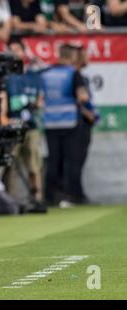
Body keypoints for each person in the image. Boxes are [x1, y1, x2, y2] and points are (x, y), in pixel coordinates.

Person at [0, 39, 46, 212]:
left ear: (23, 52)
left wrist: (35, 104)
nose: (14, 54)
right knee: (11, 165)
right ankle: (13, 202)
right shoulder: (6, 78)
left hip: (31, 126)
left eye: (17, 50)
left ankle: (37, 199)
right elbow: (3, 103)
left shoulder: (34, 76)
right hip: (12, 127)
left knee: (34, 165)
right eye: (11, 51)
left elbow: (41, 100)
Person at [40, 43, 89, 206]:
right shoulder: (73, 73)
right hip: (70, 121)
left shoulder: (46, 73)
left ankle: (50, 196)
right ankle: (72, 196)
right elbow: (83, 97)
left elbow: (40, 98)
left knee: (53, 160)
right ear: (71, 57)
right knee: (71, 160)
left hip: (50, 122)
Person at [72, 45, 99, 203]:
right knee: (74, 160)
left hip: (85, 122)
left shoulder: (81, 76)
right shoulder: (74, 75)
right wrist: (88, 114)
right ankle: (74, 193)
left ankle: (78, 193)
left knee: (80, 159)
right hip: (78, 122)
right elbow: (78, 100)